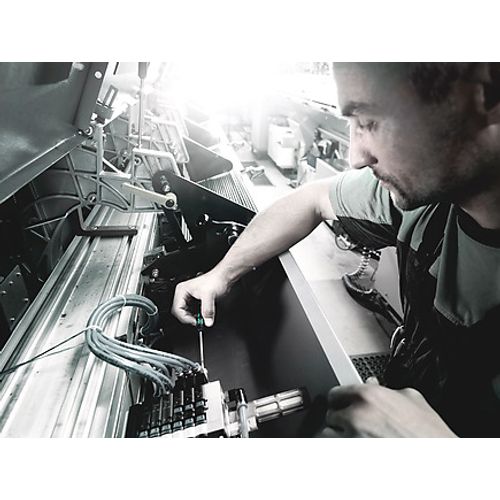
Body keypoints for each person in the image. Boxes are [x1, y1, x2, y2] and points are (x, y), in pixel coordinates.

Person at [172, 63, 500, 437]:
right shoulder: (430, 202)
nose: (356, 157)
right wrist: (221, 274)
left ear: (485, 94)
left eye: (369, 121)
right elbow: (311, 200)